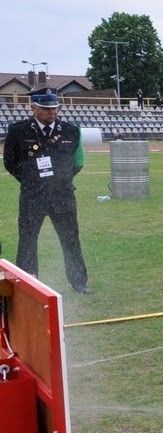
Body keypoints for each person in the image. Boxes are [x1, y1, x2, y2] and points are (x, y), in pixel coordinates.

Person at [3, 89, 90, 293]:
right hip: (32, 195)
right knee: (27, 238)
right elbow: (10, 162)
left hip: (62, 195)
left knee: (70, 238)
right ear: (34, 108)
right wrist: (30, 180)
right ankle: (26, 283)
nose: (52, 113)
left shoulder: (71, 131)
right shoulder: (18, 131)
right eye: (46, 109)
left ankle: (79, 282)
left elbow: (76, 164)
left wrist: (59, 180)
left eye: (55, 108)